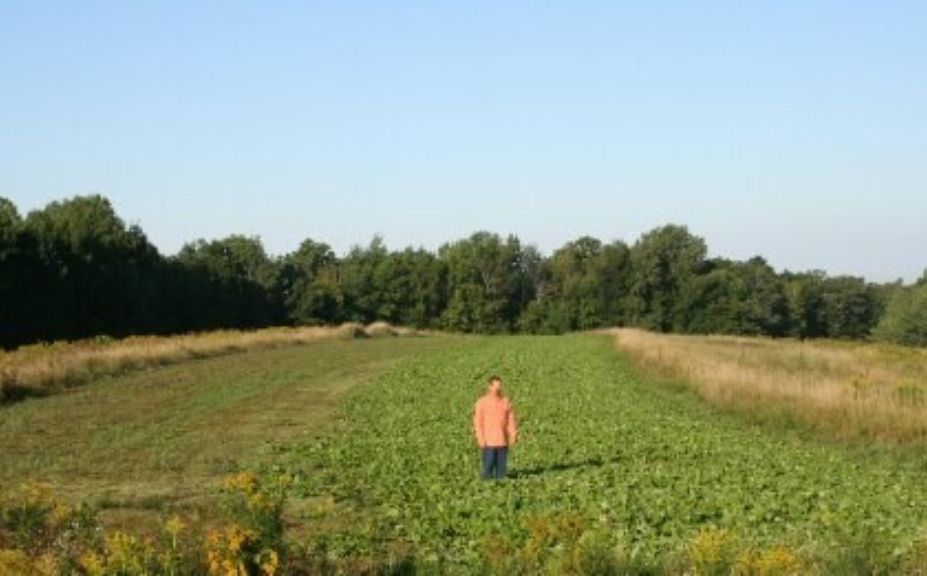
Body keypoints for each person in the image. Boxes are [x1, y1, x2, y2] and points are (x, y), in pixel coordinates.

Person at [473, 375, 518, 480]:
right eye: (496, 386)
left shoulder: (505, 401)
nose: (498, 388)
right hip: (488, 442)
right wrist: (480, 438)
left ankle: (501, 486)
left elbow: (511, 420)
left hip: (502, 441)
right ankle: (486, 487)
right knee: (488, 467)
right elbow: (477, 422)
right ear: (490, 386)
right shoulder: (482, 402)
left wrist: (513, 435)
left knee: (501, 469)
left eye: (500, 386)